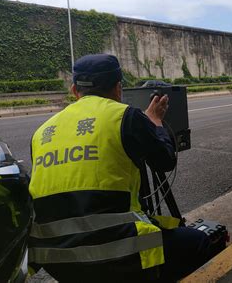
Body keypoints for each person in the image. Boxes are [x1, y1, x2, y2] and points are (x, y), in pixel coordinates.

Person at [28, 54, 210, 282]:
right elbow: (166, 160)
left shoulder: (41, 133)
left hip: (55, 260)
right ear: (118, 88)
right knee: (199, 241)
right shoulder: (125, 116)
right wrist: (154, 121)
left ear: (74, 90)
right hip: (117, 252)